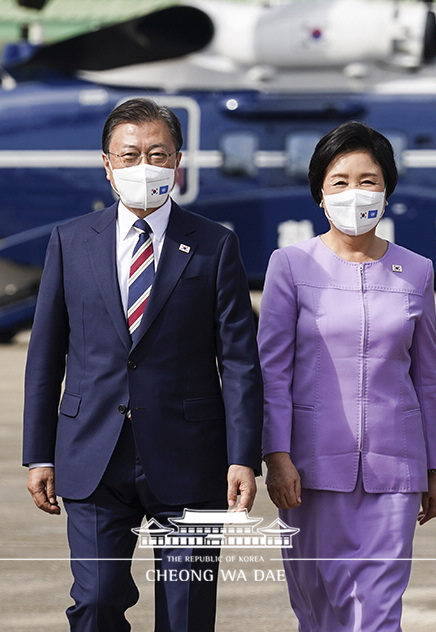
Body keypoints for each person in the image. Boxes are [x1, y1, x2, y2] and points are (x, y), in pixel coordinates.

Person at [23, 97, 262, 632]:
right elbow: (45, 356)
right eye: (129, 155)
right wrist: (37, 452)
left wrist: (244, 456)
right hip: (92, 453)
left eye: (158, 154)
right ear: (106, 164)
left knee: (185, 615)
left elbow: (241, 362)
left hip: (193, 457)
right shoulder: (69, 242)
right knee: (97, 599)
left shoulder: (214, 244)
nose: (143, 167)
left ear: (179, 163)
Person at [258, 121, 436, 632]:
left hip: (396, 469)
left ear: (386, 190)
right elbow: (272, 370)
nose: (354, 192)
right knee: (321, 609)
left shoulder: (417, 270)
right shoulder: (291, 264)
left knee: (378, 614)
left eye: (368, 180)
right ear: (320, 195)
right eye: (339, 181)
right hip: (310, 468)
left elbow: (428, 375)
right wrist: (276, 456)